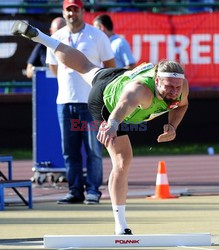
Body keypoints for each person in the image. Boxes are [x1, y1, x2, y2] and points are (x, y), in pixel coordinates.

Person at [11, 20, 189, 235]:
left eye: (176, 87)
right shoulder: (141, 91)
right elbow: (122, 107)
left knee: (85, 66)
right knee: (123, 161)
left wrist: (172, 125)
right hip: (106, 103)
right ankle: (120, 225)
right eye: (168, 86)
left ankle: (39, 35)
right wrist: (111, 125)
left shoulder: (180, 87)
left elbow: (182, 105)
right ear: (157, 80)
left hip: (116, 76)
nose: (173, 91)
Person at [46, 0, 115, 205]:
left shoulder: (97, 35)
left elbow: (110, 65)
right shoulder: (56, 38)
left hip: (91, 102)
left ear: (82, 11)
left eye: (76, 9)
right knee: (70, 150)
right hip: (65, 102)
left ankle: (93, 190)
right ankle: (75, 191)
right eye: (69, 9)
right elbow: (53, 67)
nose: (72, 13)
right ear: (63, 12)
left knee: (94, 148)